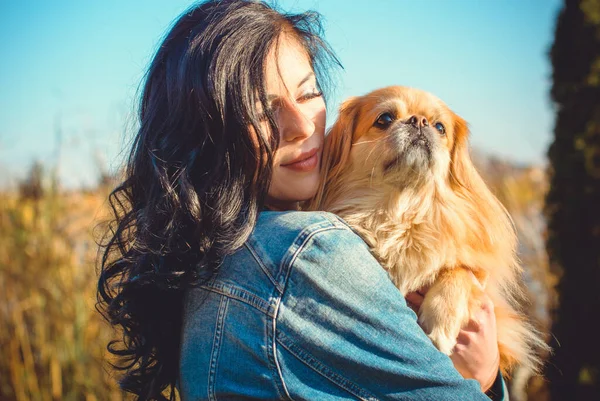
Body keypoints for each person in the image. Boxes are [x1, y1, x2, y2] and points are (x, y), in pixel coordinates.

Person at [97, 1, 507, 400]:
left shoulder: (208, 262)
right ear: (206, 135)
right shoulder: (309, 250)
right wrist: (484, 381)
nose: (300, 126)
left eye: (309, 93)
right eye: (262, 110)